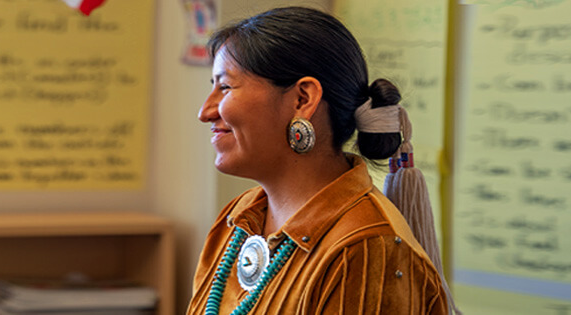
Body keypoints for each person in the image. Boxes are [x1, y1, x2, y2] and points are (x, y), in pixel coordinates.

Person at [187, 6, 451, 315]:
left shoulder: (365, 247)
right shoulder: (237, 219)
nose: (205, 111)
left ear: (302, 99)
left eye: (226, 87)